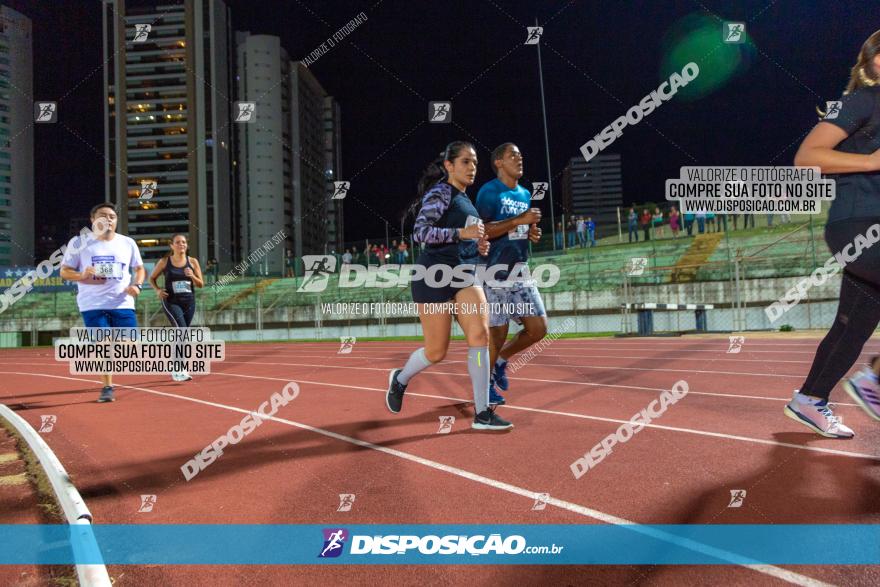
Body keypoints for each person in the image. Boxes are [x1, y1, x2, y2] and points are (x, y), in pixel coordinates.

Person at [784, 29, 880, 437]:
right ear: (871, 62)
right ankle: (873, 382)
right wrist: (873, 160)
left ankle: (809, 399)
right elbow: (806, 158)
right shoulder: (861, 101)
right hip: (859, 225)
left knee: (852, 326)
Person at [385, 141, 512, 430]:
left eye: (475, 162)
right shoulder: (441, 192)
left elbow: (465, 240)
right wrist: (460, 233)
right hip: (433, 276)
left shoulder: (469, 202)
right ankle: (400, 379)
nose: (472, 168)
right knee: (436, 352)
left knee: (480, 335)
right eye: (465, 162)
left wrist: (477, 245)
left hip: (463, 275)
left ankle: (482, 414)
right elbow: (420, 233)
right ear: (449, 166)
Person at [476, 142, 547, 406]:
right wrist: (519, 221)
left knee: (538, 329)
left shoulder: (525, 194)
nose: (519, 159)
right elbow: (482, 230)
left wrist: (531, 233)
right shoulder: (488, 192)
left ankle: (501, 361)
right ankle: (484, 387)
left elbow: (519, 230)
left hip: (520, 268)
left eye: (521, 155)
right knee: (497, 332)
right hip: (493, 270)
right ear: (498, 162)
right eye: (513, 155)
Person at [60, 203, 145, 403]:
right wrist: (82, 274)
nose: (108, 219)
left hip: (122, 302)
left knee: (129, 347)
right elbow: (64, 271)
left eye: (112, 216)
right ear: (92, 220)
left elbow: (139, 268)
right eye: (103, 215)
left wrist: (138, 285)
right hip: (92, 304)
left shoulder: (128, 243)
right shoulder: (78, 243)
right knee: (103, 346)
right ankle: (107, 387)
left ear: (116, 220)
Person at [148, 233, 204, 382]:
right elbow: (151, 278)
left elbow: (201, 284)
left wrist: (192, 276)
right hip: (171, 301)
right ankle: (178, 368)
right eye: (178, 242)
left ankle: (178, 368)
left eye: (184, 242)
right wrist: (158, 290)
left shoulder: (192, 262)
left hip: (189, 302)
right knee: (182, 330)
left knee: (183, 334)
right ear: (172, 245)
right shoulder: (165, 262)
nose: (182, 245)